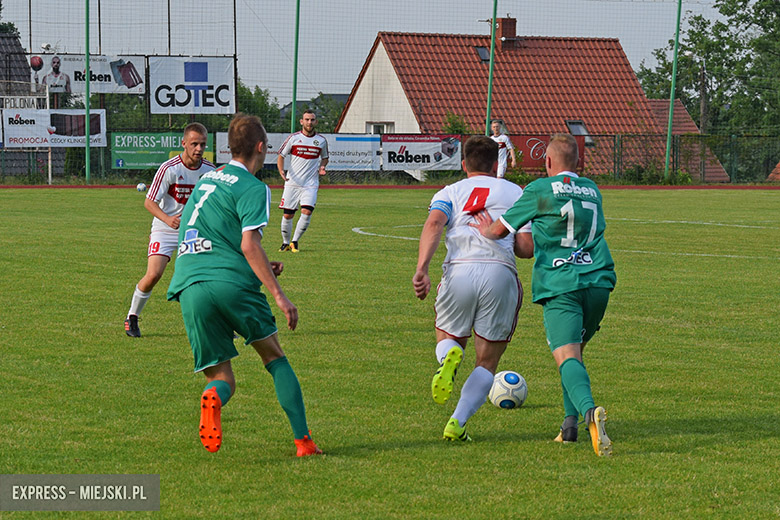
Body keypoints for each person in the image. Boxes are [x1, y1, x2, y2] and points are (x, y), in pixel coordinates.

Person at [167, 113, 322, 457]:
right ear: (260, 147)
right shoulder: (254, 187)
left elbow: (216, 238)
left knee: (221, 378)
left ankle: (212, 397)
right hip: (229, 282)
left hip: (189, 282)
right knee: (275, 358)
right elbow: (248, 244)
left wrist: (261, 268)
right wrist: (280, 297)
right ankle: (303, 443)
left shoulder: (208, 180)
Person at [472, 133, 616, 456]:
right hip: (599, 283)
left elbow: (502, 232)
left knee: (567, 357)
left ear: (547, 161)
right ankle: (569, 427)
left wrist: (484, 228)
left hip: (561, 284)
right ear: (579, 162)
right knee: (573, 355)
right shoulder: (593, 190)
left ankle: (590, 413)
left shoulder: (539, 189)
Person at [412, 135, 529, 442]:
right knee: (487, 360)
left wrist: (422, 268)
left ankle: (448, 356)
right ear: (496, 164)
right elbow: (524, 248)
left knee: (449, 337)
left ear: (464, 164)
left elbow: (435, 224)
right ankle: (457, 423)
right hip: (500, 273)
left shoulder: (450, 191)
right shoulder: (516, 191)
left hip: (459, 271)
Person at [124, 123, 214, 338]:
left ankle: (220, 323)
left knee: (209, 276)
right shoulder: (169, 169)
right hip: (165, 229)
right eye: (194, 144)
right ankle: (132, 317)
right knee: (154, 274)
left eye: (202, 144)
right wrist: (168, 219)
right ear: (183, 143)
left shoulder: (210, 170)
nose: (199, 149)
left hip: (194, 231)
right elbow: (149, 202)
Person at [277, 109, 329, 252]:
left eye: (312, 120)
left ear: (316, 122)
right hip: (292, 182)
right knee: (288, 214)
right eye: (306, 119)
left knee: (307, 211)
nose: (309, 122)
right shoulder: (293, 138)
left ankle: (295, 242)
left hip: (310, 184)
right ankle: (285, 242)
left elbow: (325, 157)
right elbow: (281, 155)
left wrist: (322, 166)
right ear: (301, 121)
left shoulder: (321, 141)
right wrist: (281, 170)